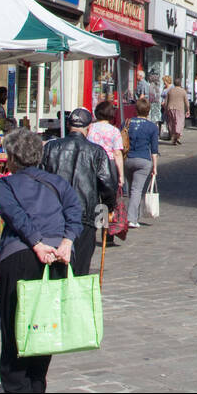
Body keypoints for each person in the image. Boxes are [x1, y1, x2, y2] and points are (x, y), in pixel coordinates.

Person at [0, 128, 84, 393]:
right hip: (56, 257)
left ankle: (18, 386)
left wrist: (36, 243)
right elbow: (74, 212)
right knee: (44, 326)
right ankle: (36, 385)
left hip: (20, 256)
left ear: (12, 157)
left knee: (15, 329)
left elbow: (16, 216)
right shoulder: (57, 182)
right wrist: (66, 242)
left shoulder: (4, 184)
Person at [39, 108, 118, 275]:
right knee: (80, 267)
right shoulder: (97, 152)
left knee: (53, 266)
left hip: (54, 214)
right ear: (89, 128)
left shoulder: (51, 148)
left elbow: (40, 179)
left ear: (68, 125)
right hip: (84, 216)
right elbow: (108, 186)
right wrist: (108, 208)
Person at [123, 98, 159, 228]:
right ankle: (131, 218)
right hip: (143, 160)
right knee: (137, 190)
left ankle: (135, 215)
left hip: (128, 159)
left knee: (133, 189)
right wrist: (155, 167)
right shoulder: (152, 127)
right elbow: (154, 150)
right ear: (148, 111)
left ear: (136, 109)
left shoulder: (127, 123)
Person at [87, 101, 126, 193]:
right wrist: (121, 175)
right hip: (109, 163)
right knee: (108, 192)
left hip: (91, 161)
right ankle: (106, 207)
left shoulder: (90, 128)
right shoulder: (114, 131)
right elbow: (117, 154)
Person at [163, 76, 189, 145]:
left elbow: (166, 102)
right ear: (180, 83)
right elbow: (186, 102)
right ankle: (177, 135)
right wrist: (188, 110)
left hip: (170, 108)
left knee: (171, 123)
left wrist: (165, 110)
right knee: (179, 122)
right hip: (179, 108)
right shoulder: (183, 91)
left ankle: (174, 136)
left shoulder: (170, 91)